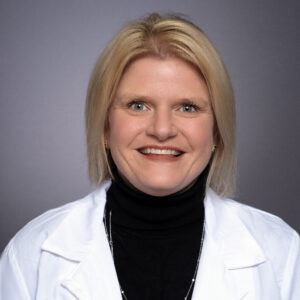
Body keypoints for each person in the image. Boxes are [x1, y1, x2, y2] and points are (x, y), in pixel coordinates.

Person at [0, 13, 299, 300]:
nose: (162, 130)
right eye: (138, 105)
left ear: (217, 132)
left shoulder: (282, 254)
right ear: (105, 126)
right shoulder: (31, 255)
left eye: (188, 107)